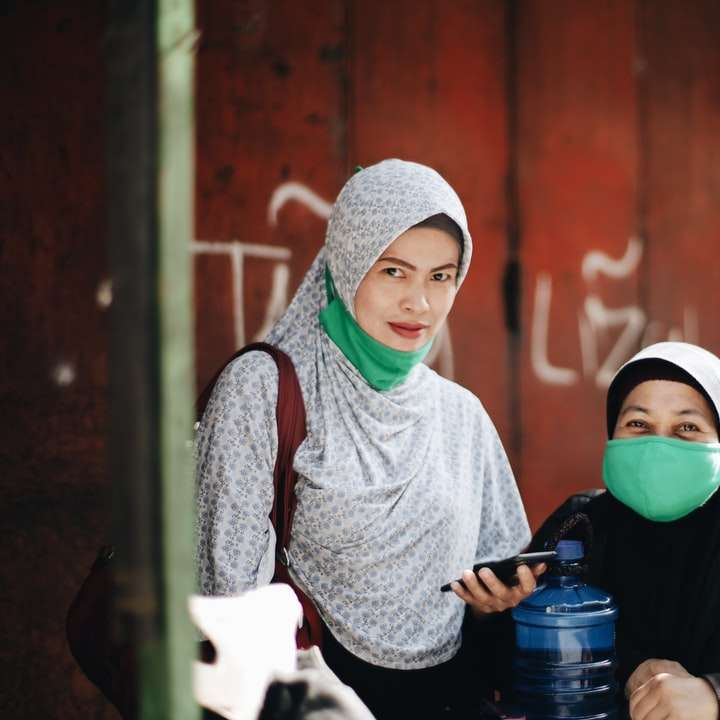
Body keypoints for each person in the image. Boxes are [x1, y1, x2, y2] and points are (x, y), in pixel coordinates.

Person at [195, 159, 543, 718]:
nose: (420, 304)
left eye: (441, 276)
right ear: (347, 263)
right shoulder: (264, 389)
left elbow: (499, 597)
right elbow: (227, 599)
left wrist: (495, 607)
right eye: (393, 271)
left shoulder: (462, 416)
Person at [534, 341, 720, 720]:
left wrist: (713, 694)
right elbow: (508, 658)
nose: (658, 446)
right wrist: (491, 612)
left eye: (687, 427)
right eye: (638, 424)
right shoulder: (578, 524)